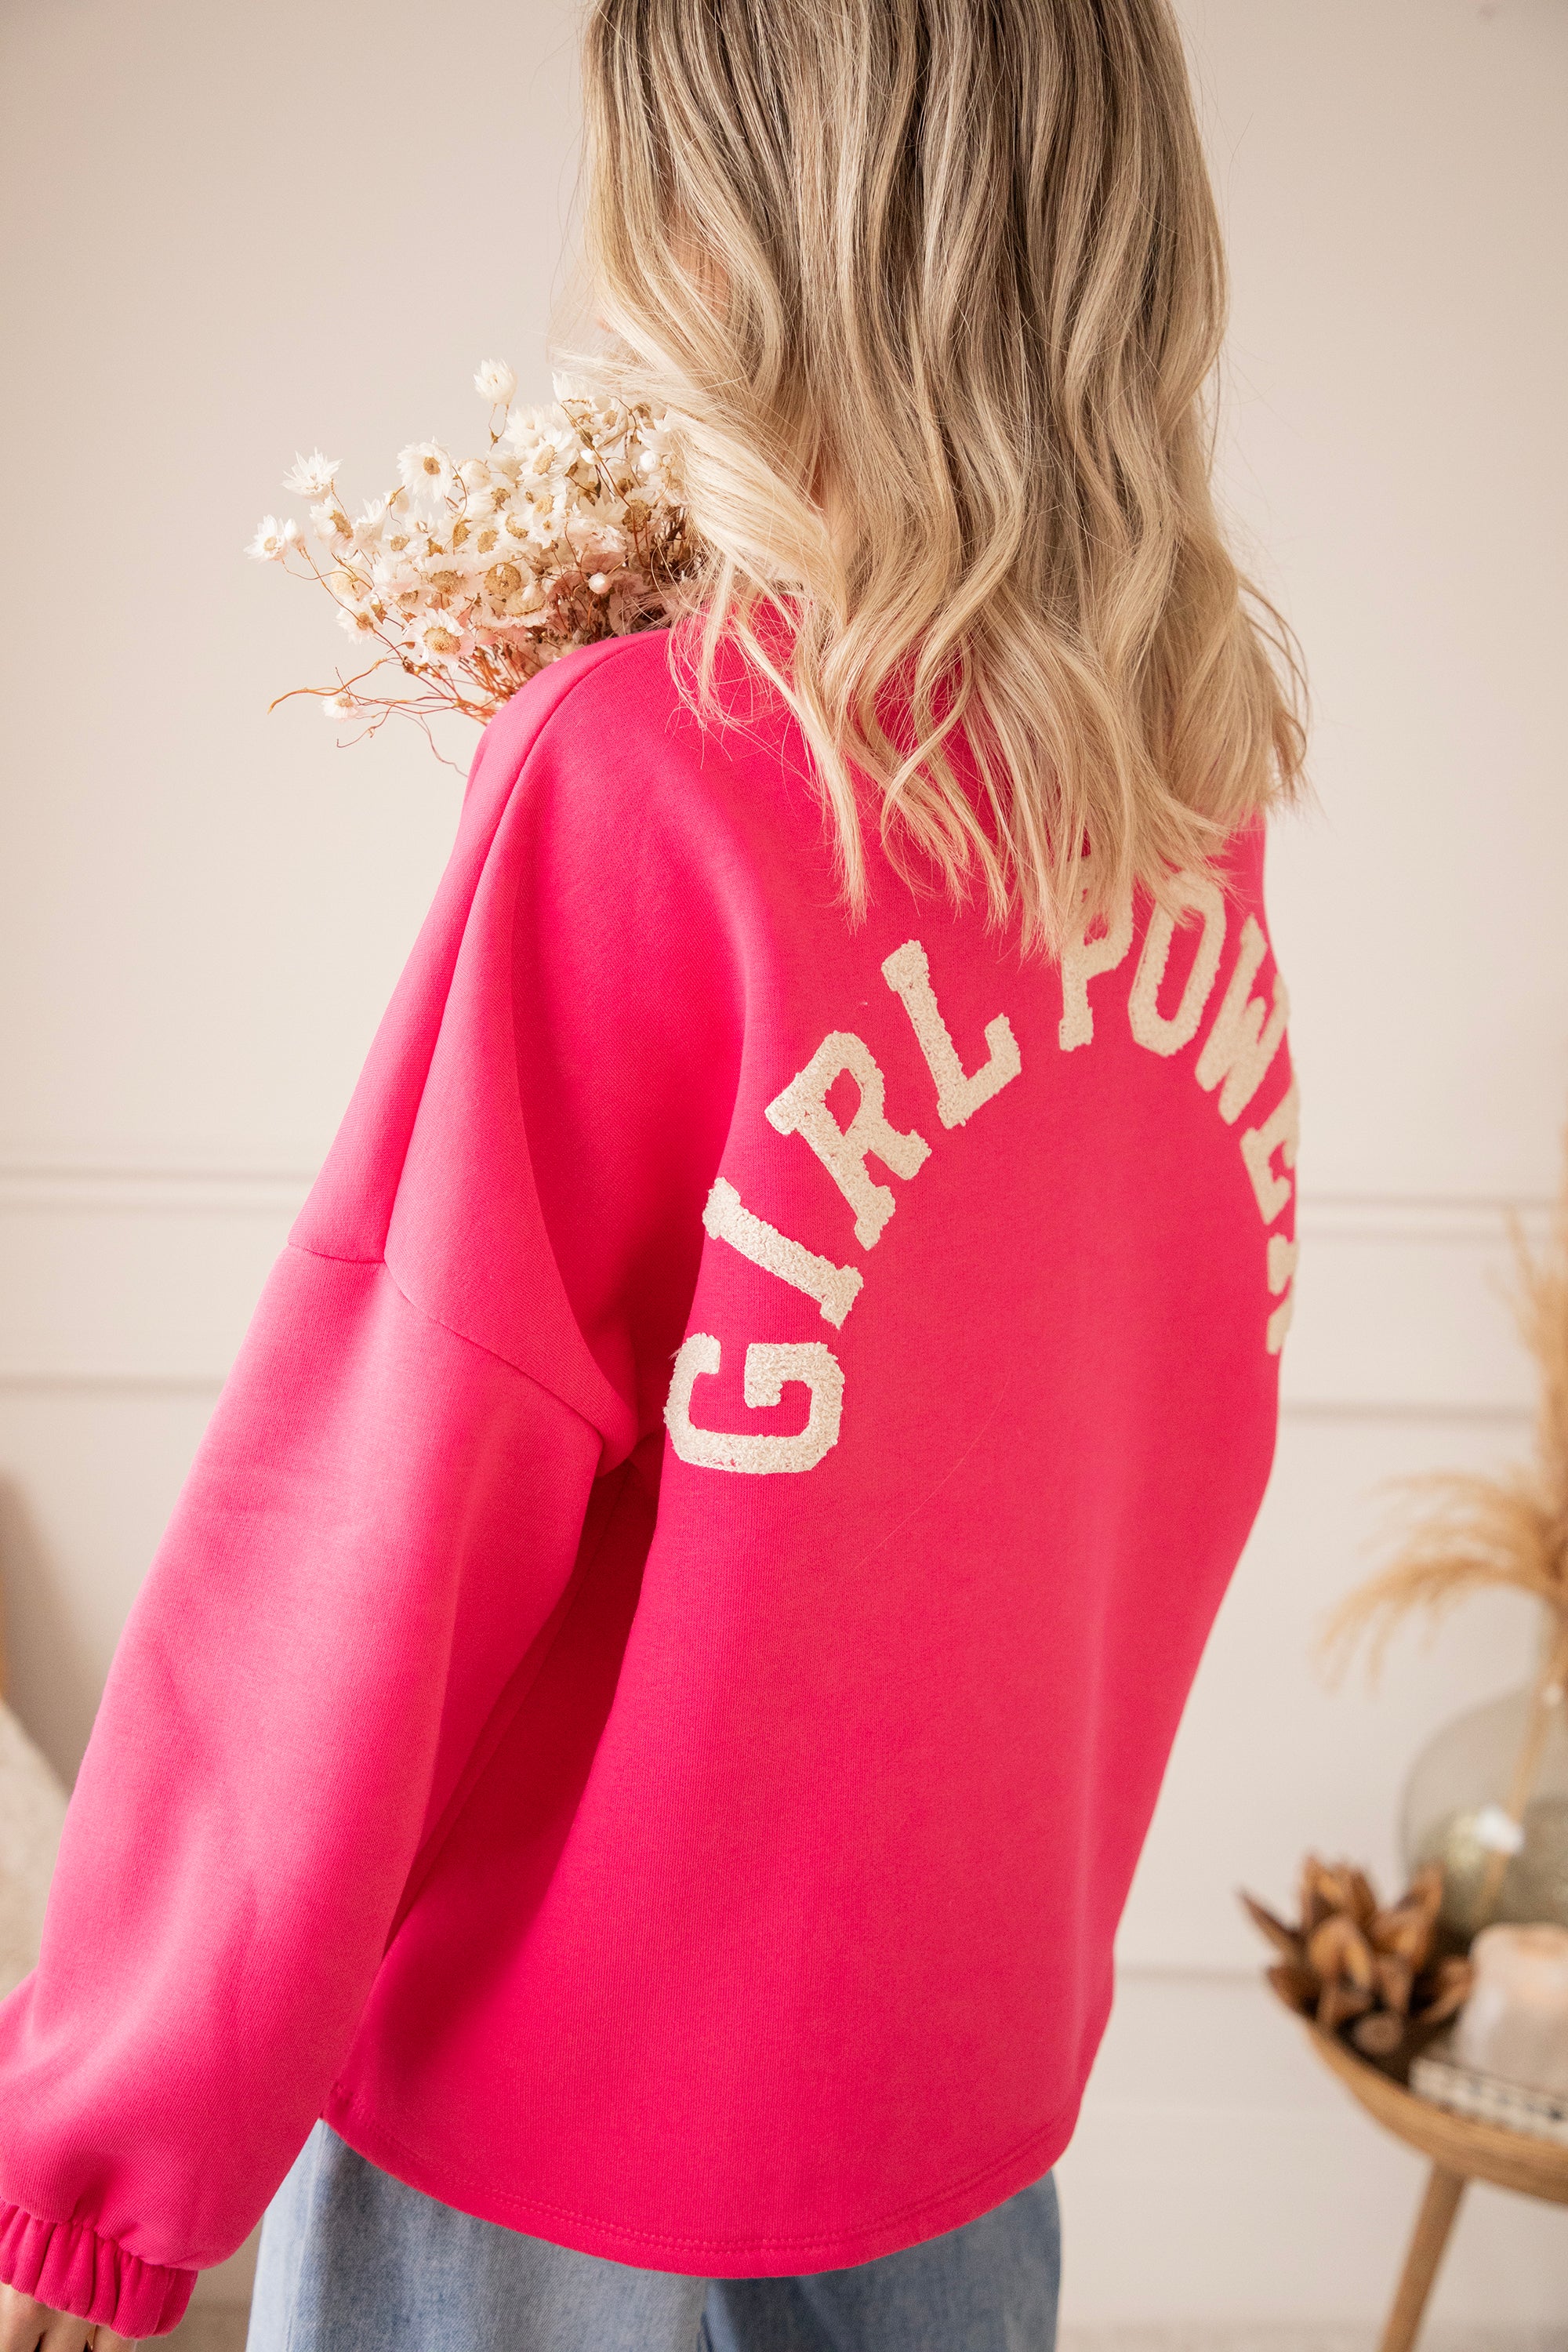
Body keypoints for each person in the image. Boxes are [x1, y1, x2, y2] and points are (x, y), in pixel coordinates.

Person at [0, 0, 1306, 2344]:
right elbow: (1158, 1465)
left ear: (721, 237)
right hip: (956, 2112)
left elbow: (383, 1510)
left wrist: (108, 2147)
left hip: (551, 2164)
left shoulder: (650, 771)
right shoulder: (1175, 804)